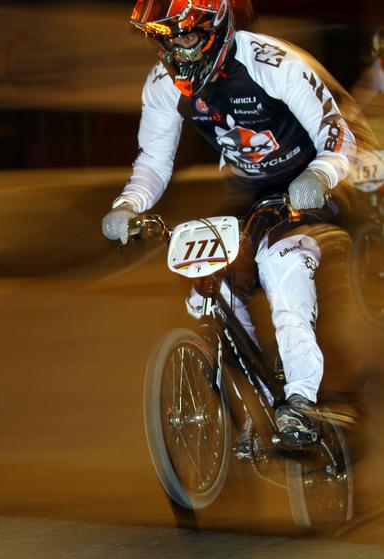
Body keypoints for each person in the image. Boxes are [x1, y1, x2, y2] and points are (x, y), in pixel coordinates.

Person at [102, 0, 357, 443]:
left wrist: (320, 174)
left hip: (312, 184)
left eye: (184, 37)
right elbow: (154, 162)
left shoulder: (270, 62)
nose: (175, 53)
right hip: (249, 192)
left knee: (283, 264)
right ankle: (258, 399)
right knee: (209, 289)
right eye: (163, 41)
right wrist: (129, 203)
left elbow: (337, 133)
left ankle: (299, 400)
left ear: (216, 28)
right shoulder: (165, 83)